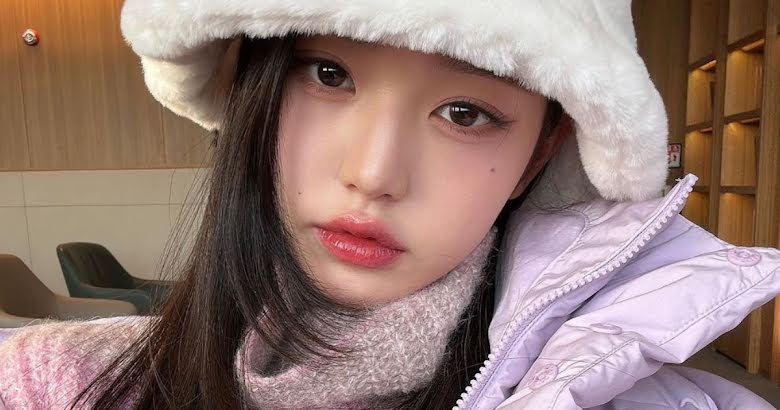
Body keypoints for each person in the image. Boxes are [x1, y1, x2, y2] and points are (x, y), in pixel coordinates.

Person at [2, 1, 780, 409]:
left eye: (465, 113)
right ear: (250, 86)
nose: (372, 175)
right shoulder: (54, 382)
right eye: (328, 74)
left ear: (539, 154)